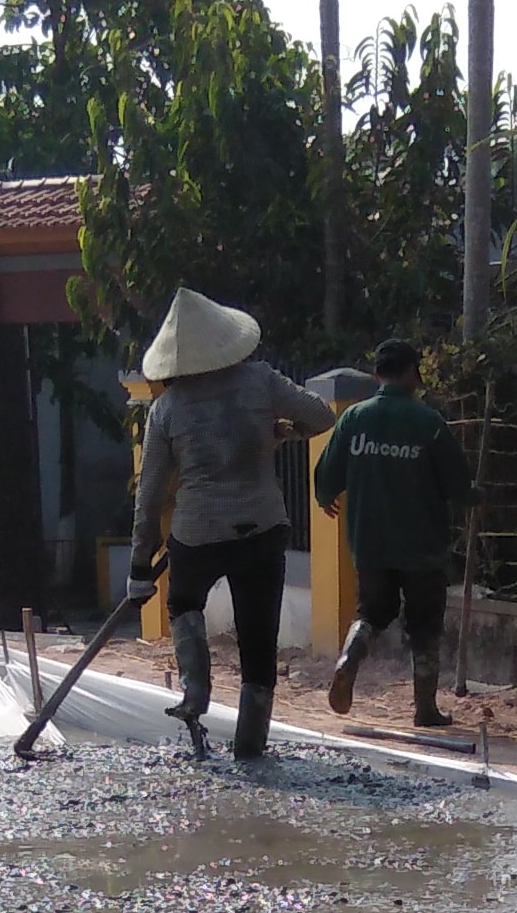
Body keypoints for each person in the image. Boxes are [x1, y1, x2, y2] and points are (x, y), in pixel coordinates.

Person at [129, 287, 336, 759]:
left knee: (183, 603)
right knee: (258, 641)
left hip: (197, 533)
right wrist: (285, 430)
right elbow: (321, 415)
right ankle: (250, 747)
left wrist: (140, 566)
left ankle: (195, 691)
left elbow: (151, 493)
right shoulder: (260, 381)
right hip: (262, 528)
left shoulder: (167, 408)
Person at [311, 338, 473, 727]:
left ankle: (350, 657)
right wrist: (476, 496)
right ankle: (425, 709)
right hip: (421, 547)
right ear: (409, 373)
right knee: (425, 624)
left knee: (372, 612)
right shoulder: (428, 423)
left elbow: (326, 475)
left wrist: (325, 497)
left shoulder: (354, 419)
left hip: (369, 543)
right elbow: (458, 485)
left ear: (377, 374)